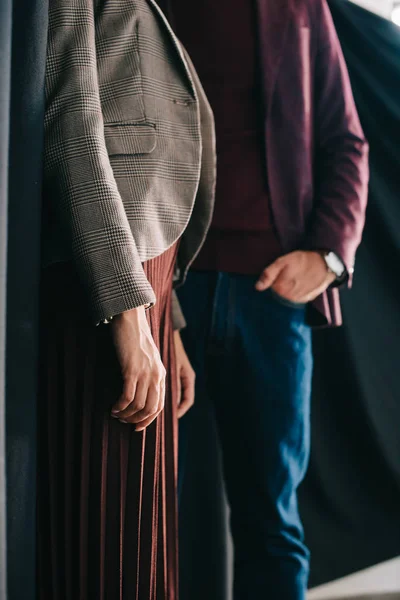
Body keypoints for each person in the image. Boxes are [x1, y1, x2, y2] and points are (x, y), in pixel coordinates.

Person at [164, 0, 369, 598]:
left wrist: (326, 258)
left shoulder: (301, 7)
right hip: (168, 302)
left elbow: (347, 142)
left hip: (271, 300)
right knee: (156, 517)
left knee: (271, 526)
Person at [36, 1, 215, 598]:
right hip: (104, 274)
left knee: (144, 539)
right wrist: (126, 309)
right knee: (115, 549)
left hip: (144, 287)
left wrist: (170, 324)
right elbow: (70, 125)